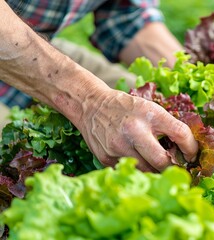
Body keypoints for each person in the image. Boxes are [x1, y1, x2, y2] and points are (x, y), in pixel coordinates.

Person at [0, 1, 198, 172]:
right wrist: (91, 102)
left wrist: (193, 86)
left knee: (148, 111)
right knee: (11, 164)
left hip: (36, 42)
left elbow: (127, 15)